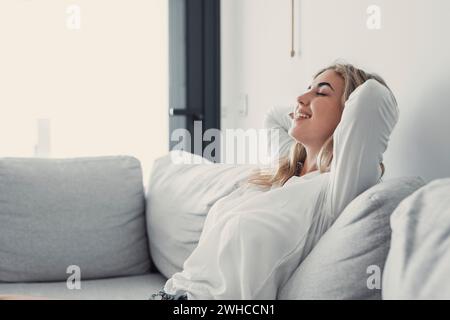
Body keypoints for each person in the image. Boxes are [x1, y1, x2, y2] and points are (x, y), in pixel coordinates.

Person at [151, 63, 399, 300]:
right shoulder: (286, 174)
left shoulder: (336, 187)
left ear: (348, 117)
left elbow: (373, 97)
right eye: (307, 89)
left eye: (321, 92)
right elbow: (273, 117)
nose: (301, 97)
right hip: (171, 292)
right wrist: (309, 103)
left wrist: (336, 100)